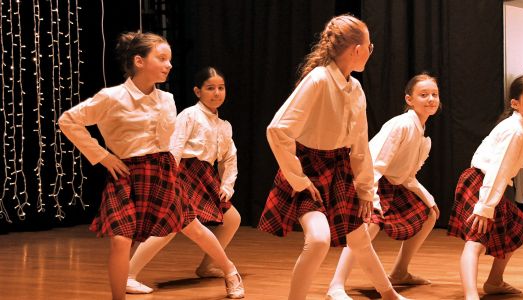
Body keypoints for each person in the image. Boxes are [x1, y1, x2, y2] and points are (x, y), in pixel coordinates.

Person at [257, 14, 405, 300]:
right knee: (319, 240)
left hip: (338, 170)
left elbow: (359, 145)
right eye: (370, 46)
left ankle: (389, 294)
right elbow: (278, 129)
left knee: (359, 238)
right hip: (309, 168)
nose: (371, 52)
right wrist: (298, 179)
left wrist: (365, 190)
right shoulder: (319, 79)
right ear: (357, 49)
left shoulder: (355, 88)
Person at [58, 31, 181, 300]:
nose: (168, 64)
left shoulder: (167, 100)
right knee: (120, 239)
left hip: (160, 171)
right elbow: (68, 120)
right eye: (161, 58)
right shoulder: (111, 97)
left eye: (169, 59)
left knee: (180, 225)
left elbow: (166, 140)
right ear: (139, 60)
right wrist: (102, 156)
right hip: (126, 173)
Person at [125, 67, 244, 298]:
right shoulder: (189, 115)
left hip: (205, 177)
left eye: (221, 88)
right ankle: (128, 274)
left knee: (232, 219)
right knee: (170, 227)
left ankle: (207, 266)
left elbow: (230, 159)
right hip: (182, 174)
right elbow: (175, 147)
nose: (217, 93)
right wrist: (168, 179)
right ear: (197, 91)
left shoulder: (224, 125)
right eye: (210, 88)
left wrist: (227, 185)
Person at [326, 73, 441, 299]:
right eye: (424, 94)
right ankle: (335, 286)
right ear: (409, 99)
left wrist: (429, 199)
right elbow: (374, 165)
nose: (430, 99)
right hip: (369, 180)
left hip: (392, 184)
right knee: (367, 227)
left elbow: (407, 176)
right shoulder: (401, 125)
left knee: (429, 214)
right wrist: (370, 201)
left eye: (434, 95)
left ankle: (399, 272)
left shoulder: (421, 133)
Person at [447, 74, 523, 300]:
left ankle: (494, 282)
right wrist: (484, 206)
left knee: (516, 227)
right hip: (481, 183)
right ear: (515, 103)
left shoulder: (522, 127)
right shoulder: (515, 129)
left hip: (488, 185)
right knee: (475, 241)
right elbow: (498, 169)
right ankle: (471, 296)